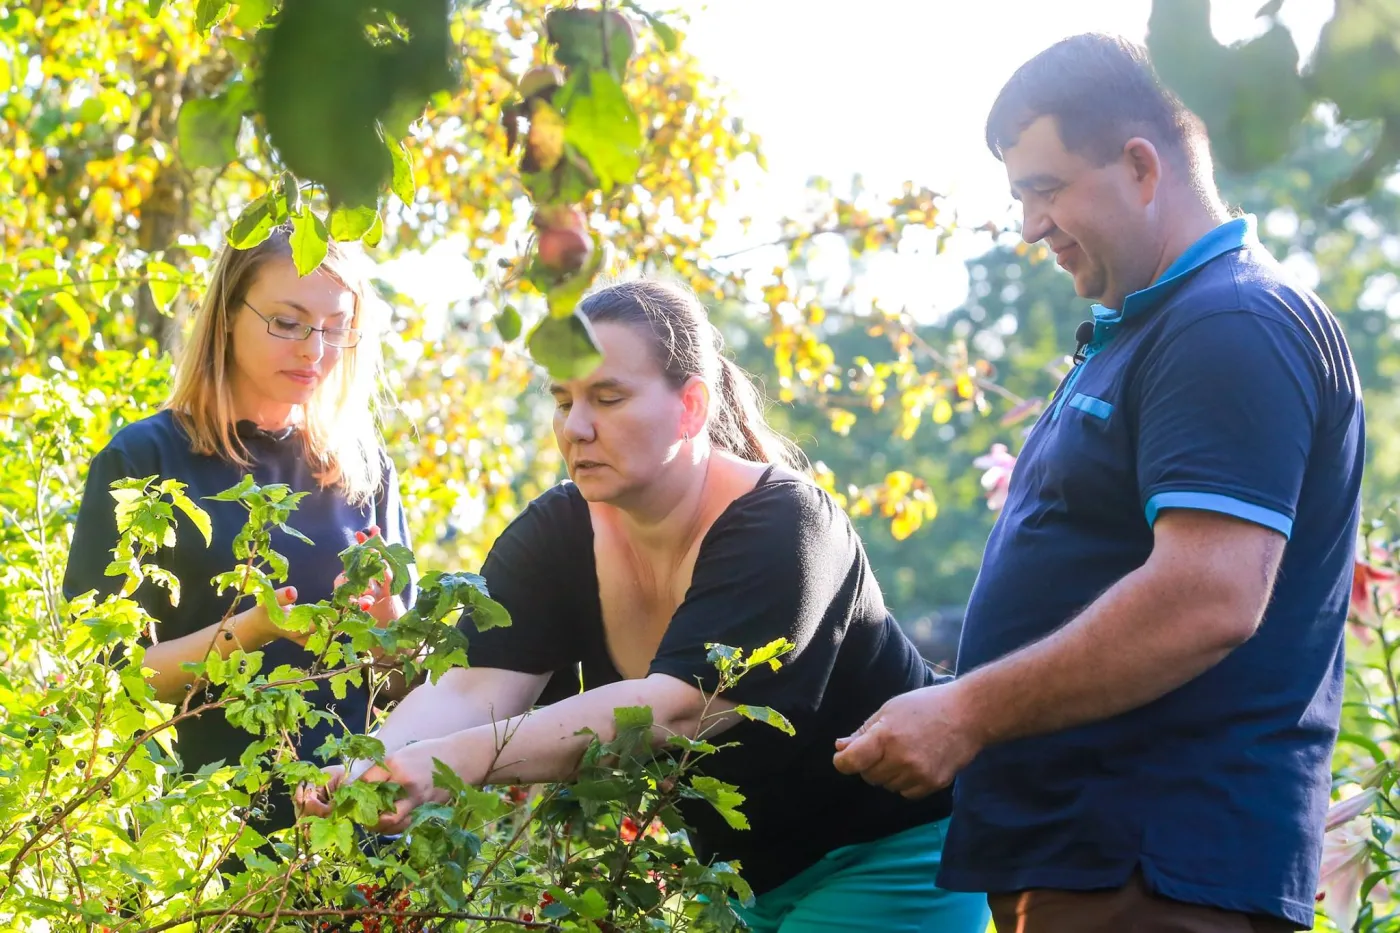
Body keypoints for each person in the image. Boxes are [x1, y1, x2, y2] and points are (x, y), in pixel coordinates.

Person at [833, 33, 1364, 932]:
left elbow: (1209, 594)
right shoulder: (1153, 327)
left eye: (1046, 189)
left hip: (1156, 871)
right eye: (1020, 197)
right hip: (1097, 868)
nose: (1030, 226)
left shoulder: (1230, 322)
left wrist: (966, 709)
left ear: (1142, 166)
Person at [297, 279, 991, 932]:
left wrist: (447, 763)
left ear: (691, 407)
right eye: (562, 400)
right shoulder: (556, 533)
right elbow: (472, 688)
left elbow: (678, 710)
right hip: (740, 883)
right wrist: (370, 765)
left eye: (607, 397)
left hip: (891, 853)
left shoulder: (786, 523)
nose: (576, 427)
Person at [64, 225, 415, 835]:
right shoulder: (143, 461)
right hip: (193, 838)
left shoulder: (362, 469)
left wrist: (387, 627)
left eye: (336, 328)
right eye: (288, 322)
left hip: (349, 835)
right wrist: (250, 631)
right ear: (227, 314)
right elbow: (105, 682)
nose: (314, 351)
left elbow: (406, 687)